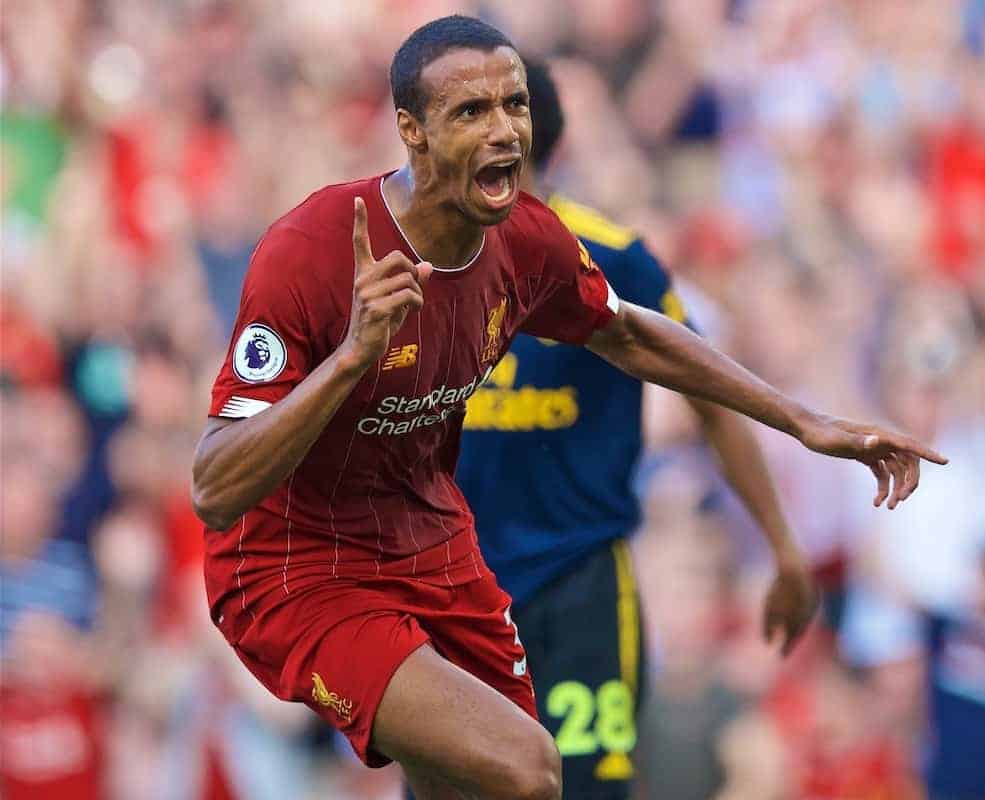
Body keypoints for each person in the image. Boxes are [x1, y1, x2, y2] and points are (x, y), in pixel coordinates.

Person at [190, 15, 946, 800]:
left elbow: (630, 335)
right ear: (411, 133)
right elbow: (213, 486)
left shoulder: (528, 240)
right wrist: (351, 359)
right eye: (470, 112)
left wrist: (804, 420)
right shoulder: (313, 251)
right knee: (530, 772)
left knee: (484, 783)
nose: (504, 130)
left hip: (439, 551)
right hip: (299, 567)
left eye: (513, 105)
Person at [455, 59, 820, 800]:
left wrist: (784, 547)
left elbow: (711, 399)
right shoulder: (416, 262)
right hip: (455, 591)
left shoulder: (615, 260)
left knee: (588, 790)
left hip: (580, 581)